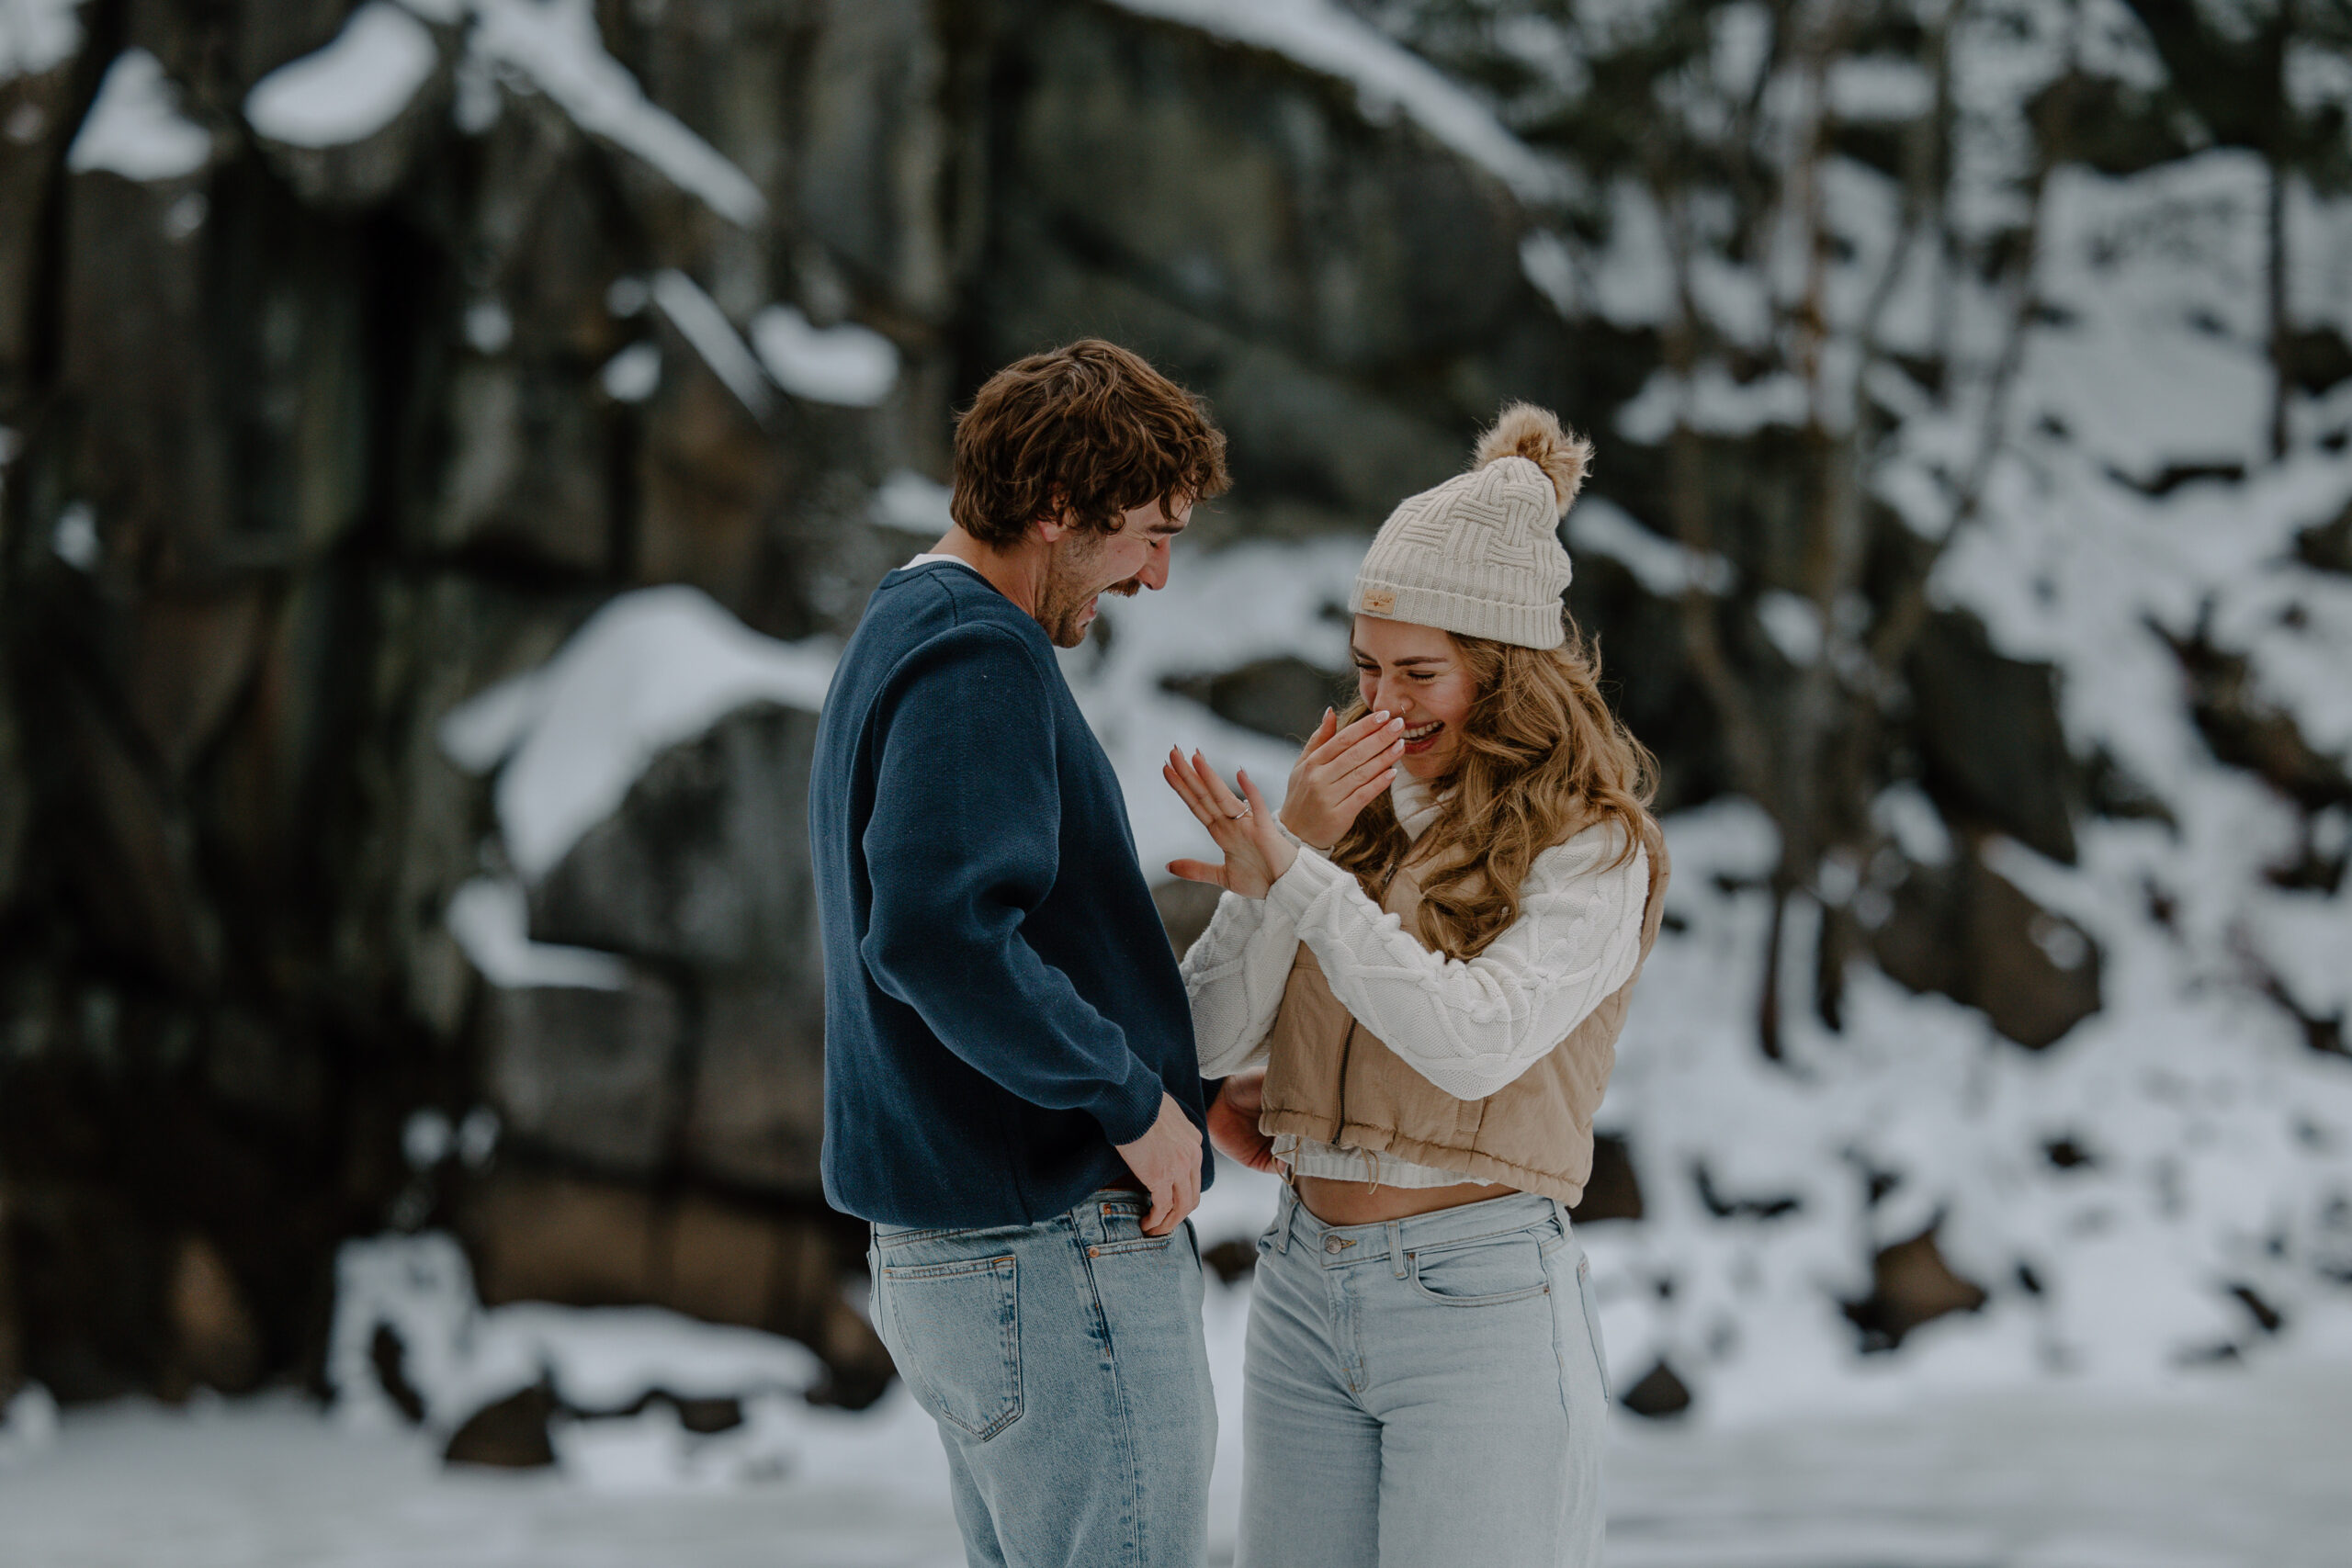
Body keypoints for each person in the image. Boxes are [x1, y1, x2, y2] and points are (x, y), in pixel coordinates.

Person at [1166, 404, 1668, 1568]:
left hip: (1479, 1302)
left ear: (1506, 670)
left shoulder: (1594, 850)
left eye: (1421, 673)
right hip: (1298, 1287)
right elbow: (1201, 1038)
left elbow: (1474, 1041)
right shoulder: (1343, 820)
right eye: (1366, 670)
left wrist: (1301, 882)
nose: (1384, 706)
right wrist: (1271, 873)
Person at [809, 340, 1230, 1568]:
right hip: (1047, 1252)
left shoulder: (907, 625)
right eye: (1145, 533)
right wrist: (1129, 1097)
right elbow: (937, 935)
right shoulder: (976, 652)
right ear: (1056, 507)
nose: (1155, 574)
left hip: (973, 1255)